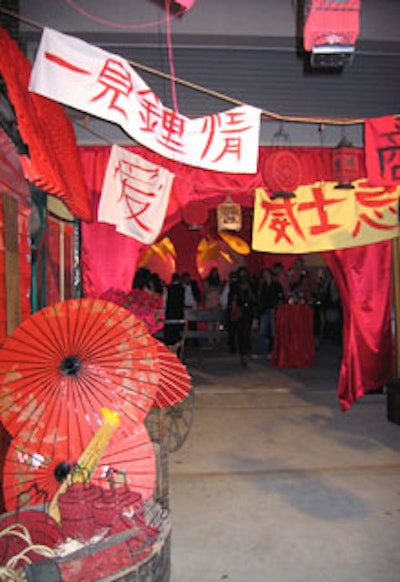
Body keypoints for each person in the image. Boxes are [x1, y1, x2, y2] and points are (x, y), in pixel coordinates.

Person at [227, 266, 257, 367]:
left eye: (245, 274)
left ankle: (245, 354)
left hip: (248, 311)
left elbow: (254, 299)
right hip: (239, 311)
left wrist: (248, 289)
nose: (243, 276)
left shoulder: (251, 284)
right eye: (241, 274)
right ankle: (242, 354)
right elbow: (231, 299)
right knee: (240, 333)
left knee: (246, 333)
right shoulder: (234, 285)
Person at [253, 267, 283, 357]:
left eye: (267, 273)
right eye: (264, 274)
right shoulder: (263, 286)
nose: (266, 276)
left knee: (273, 331)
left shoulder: (276, 285)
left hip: (273, 309)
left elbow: (279, 297)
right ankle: (260, 351)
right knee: (262, 331)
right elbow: (261, 298)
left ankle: (272, 350)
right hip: (265, 310)